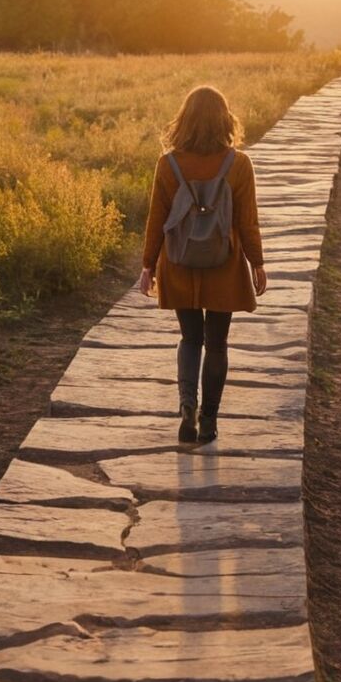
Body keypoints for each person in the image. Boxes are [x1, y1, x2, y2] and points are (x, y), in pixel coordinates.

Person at [139, 85, 268, 445]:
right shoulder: (238, 164)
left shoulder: (168, 164)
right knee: (217, 343)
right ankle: (209, 421)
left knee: (189, 337)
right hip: (223, 265)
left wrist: (148, 265)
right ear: (224, 119)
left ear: (185, 119)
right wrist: (257, 263)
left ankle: (186, 409)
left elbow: (156, 219)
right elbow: (248, 221)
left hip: (179, 262)